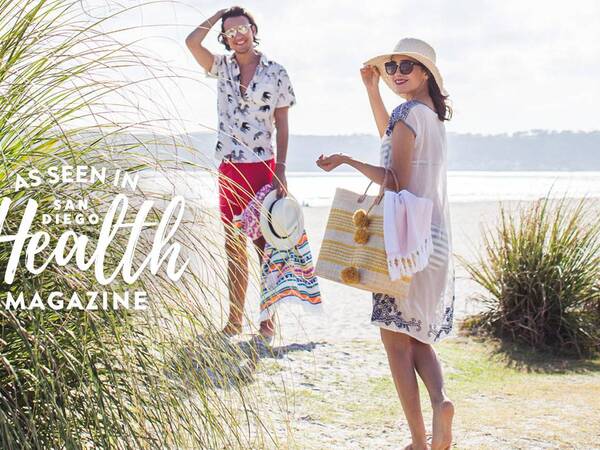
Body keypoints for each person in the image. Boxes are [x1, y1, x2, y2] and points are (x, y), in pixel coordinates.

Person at [316, 38, 455, 450]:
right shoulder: (427, 115)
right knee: (417, 336)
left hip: (403, 241)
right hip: (434, 239)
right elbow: (390, 140)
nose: (396, 72)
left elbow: (395, 178)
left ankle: (418, 440)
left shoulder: (407, 112)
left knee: (395, 340)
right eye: (391, 66)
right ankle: (440, 402)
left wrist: (346, 160)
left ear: (425, 72)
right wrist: (371, 90)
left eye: (406, 66)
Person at [185, 6, 296, 342]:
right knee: (233, 247)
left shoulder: (276, 72)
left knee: (266, 247)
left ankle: (266, 321)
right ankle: (234, 319)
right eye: (230, 32)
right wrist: (219, 13)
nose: (238, 35)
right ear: (224, 38)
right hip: (230, 169)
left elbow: (283, 126)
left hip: (263, 168)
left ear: (253, 29)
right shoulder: (221, 67)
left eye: (243, 28)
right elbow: (191, 42)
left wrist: (281, 170)